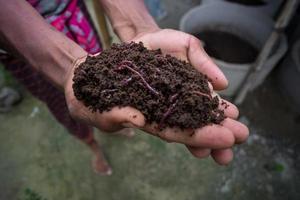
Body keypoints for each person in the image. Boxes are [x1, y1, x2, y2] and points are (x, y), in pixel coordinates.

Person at [0, 0, 249, 176]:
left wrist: (139, 24)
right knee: (62, 101)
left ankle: (110, 130)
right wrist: (62, 67)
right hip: (17, 40)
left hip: (70, 11)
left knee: (97, 62)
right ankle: (91, 144)